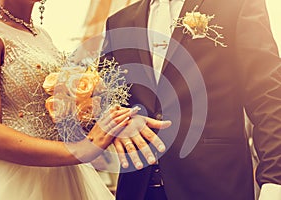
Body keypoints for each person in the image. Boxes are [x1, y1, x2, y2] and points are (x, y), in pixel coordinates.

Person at [102, 0, 281, 199]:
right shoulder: (118, 22)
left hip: (215, 185)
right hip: (138, 188)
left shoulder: (237, 5)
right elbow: (103, 99)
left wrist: (274, 181)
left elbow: (267, 95)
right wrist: (121, 122)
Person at [0, 0, 138, 199]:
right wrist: (81, 150)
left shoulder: (42, 36)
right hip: (15, 179)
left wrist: (108, 121)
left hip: (63, 174)